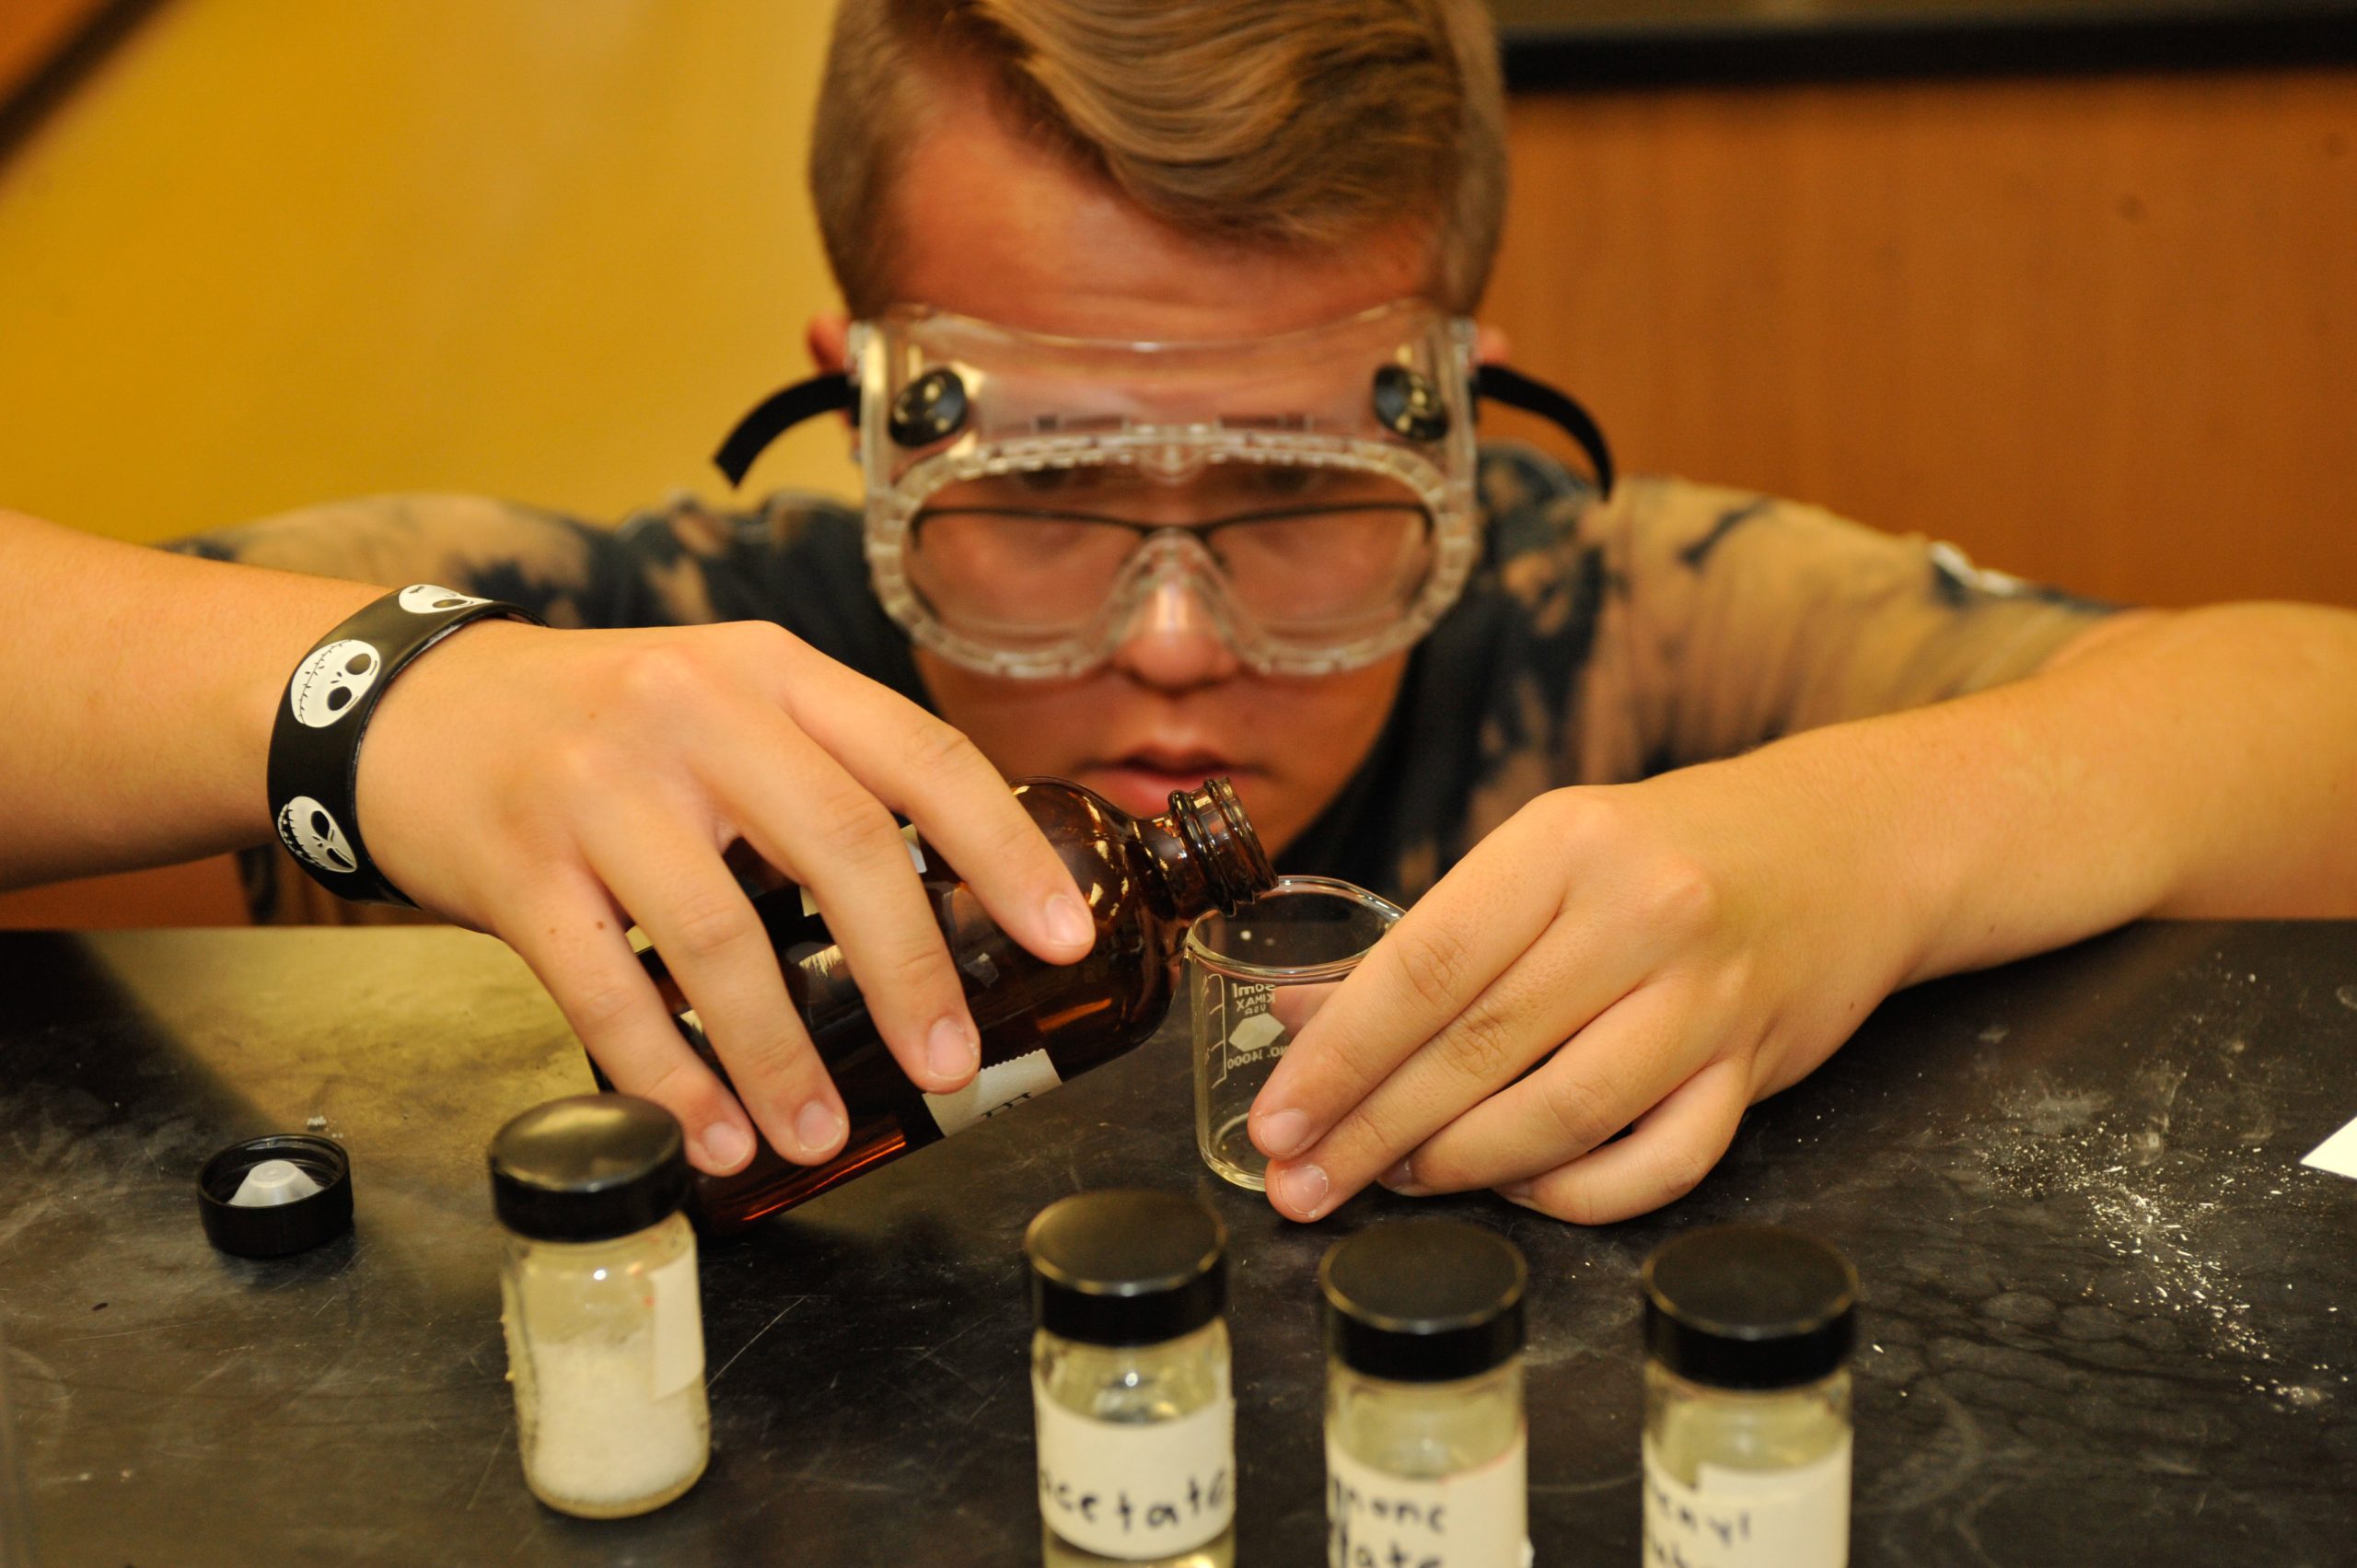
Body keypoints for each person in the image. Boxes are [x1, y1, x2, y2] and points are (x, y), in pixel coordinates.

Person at [8, 0, 2355, 1229]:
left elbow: (2305, 716)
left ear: (1456, 417)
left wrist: (1872, 845)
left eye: (1301, 503)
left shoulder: (1630, 634)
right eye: (1032, 507)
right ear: (864, 410)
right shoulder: (654, 652)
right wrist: (362, 703)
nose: (1164, 645)